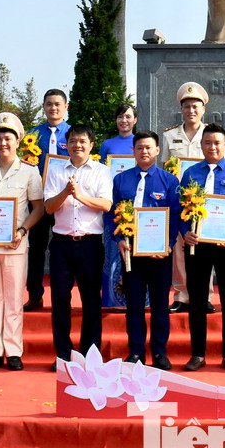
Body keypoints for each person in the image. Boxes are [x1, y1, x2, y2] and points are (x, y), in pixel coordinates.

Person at [0, 112, 45, 371]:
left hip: (15, 243)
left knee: (13, 299)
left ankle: (13, 350)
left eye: (8, 139)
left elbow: (38, 208)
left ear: (18, 142)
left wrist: (23, 230)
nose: (3, 143)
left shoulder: (29, 171)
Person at [181, 123, 225, 372]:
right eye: (208, 143)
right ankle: (198, 354)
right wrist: (184, 232)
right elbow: (181, 210)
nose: (212, 147)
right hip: (197, 245)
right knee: (197, 299)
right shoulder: (190, 174)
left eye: (217, 143)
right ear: (201, 145)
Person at [44, 124, 113, 368]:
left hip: (90, 243)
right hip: (62, 243)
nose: (77, 145)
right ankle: (63, 354)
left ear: (91, 144)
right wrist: (66, 192)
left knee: (91, 300)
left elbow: (106, 204)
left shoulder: (102, 171)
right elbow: (49, 207)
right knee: (60, 299)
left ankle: (90, 355)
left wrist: (79, 195)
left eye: (82, 141)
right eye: (73, 141)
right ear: (67, 144)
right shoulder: (54, 170)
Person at [109, 130, 179, 370]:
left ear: (157, 150)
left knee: (160, 305)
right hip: (130, 253)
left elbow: (176, 218)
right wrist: (117, 237)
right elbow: (112, 213)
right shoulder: (120, 180)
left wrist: (168, 244)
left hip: (160, 255)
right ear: (133, 151)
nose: (144, 152)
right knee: (135, 305)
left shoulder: (169, 181)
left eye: (149, 147)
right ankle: (136, 351)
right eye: (139, 148)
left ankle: (160, 352)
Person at [161, 82, 208, 313]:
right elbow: (164, 169)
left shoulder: (211, 134)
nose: (191, 111)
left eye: (195, 106)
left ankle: (204, 295)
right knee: (179, 247)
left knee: (204, 247)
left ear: (203, 109)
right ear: (181, 109)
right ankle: (181, 294)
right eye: (187, 106)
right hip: (178, 201)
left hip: (203, 202)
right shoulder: (170, 135)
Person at [25, 88, 71, 311]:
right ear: (43, 107)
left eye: (57, 104)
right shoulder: (33, 134)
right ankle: (35, 295)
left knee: (62, 249)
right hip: (38, 200)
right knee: (35, 248)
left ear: (66, 107)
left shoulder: (74, 134)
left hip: (65, 200)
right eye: (49, 104)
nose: (53, 108)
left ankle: (64, 297)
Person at [100, 103, 138, 309]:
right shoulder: (107, 145)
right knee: (113, 251)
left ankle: (134, 298)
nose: (124, 120)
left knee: (134, 252)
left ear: (135, 120)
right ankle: (112, 299)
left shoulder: (139, 142)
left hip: (135, 206)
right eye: (120, 117)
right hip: (113, 206)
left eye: (128, 117)